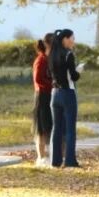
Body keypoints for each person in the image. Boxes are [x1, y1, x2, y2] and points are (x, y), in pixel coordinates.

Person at [48, 29, 83, 167]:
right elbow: (73, 76)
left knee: (56, 128)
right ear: (65, 39)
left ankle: (55, 160)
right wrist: (79, 70)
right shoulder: (68, 54)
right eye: (72, 38)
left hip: (54, 93)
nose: (73, 41)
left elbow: (49, 74)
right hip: (68, 92)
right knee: (70, 129)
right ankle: (70, 160)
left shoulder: (51, 54)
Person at [32, 33, 54, 166]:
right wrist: (52, 84)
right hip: (42, 96)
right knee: (41, 128)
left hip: (50, 95)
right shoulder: (41, 60)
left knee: (49, 126)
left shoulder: (50, 59)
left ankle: (50, 155)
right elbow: (38, 79)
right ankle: (41, 156)